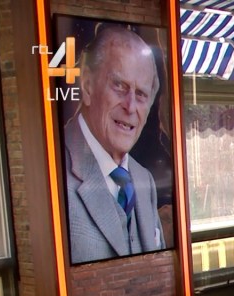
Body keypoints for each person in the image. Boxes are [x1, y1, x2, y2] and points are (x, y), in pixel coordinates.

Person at [64, 25, 166, 264]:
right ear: (87, 85)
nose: (130, 107)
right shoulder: (52, 175)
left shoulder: (144, 179)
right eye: (119, 85)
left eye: (141, 94)